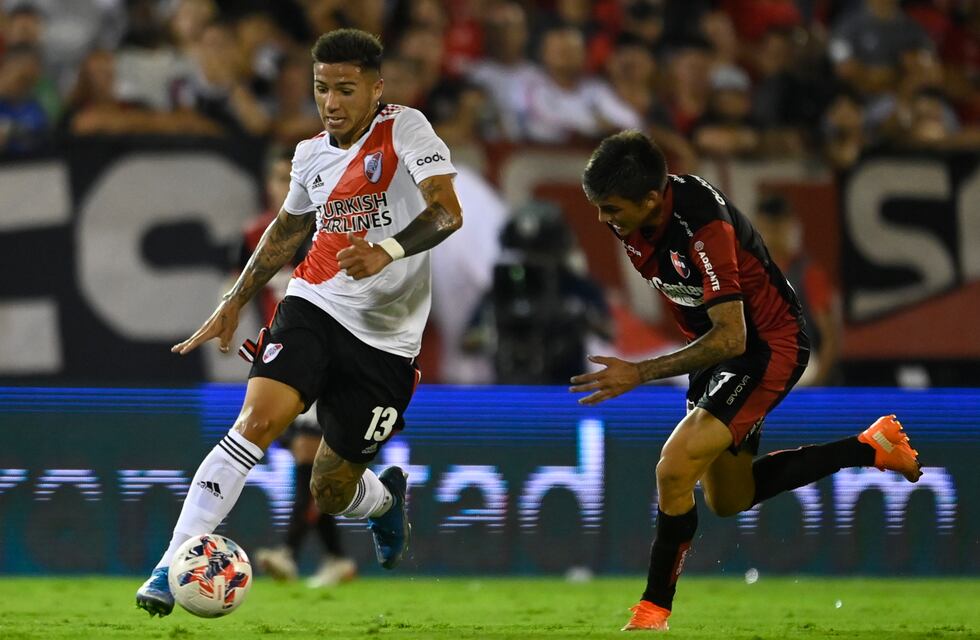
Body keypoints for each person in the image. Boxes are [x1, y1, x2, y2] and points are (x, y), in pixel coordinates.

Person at [136, 28, 463, 616]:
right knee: (256, 421)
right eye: (320, 89)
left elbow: (447, 211)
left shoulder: (405, 128)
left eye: (345, 89)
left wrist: (385, 250)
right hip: (316, 302)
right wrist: (236, 298)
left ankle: (384, 503)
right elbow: (288, 229)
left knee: (331, 489)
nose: (331, 102)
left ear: (375, 89)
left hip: (388, 340)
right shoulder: (310, 154)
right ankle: (170, 562)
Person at [570, 131, 921, 632]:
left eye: (610, 208)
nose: (604, 219)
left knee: (673, 470)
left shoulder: (702, 229)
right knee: (729, 499)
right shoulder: (638, 214)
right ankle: (869, 447)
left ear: (651, 198)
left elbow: (733, 337)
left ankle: (652, 612)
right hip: (718, 350)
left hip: (764, 345)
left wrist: (640, 372)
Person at [238, 151, 355, 588]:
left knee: (310, 456)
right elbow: (245, 288)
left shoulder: (332, 233)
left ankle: (288, 552)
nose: (282, 183)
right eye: (276, 175)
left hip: (326, 356)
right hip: (282, 360)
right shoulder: (256, 235)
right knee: (311, 462)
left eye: (290, 175)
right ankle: (337, 559)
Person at [753, 194, 840, 386]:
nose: (770, 234)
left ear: (788, 226)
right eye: (765, 228)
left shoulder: (808, 273)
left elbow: (830, 339)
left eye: (775, 228)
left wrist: (814, 387)